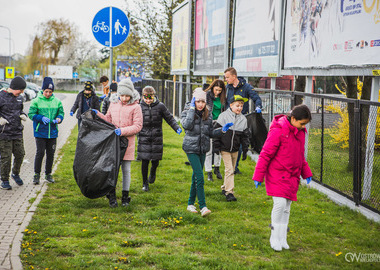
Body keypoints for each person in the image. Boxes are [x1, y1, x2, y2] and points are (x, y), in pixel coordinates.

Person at [252, 104, 313, 251]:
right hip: (277, 174)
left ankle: (282, 237)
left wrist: (307, 173)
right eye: (302, 123)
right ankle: (274, 237)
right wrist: (258, 175)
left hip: (292, 176)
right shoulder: (278, 131)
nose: (303, 126)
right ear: (293, 118)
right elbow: (266, 153)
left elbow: (300, 156)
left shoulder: (301, 132)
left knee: (286, 207)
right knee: (279, 205)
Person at [181, 88, 232, 217]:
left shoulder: (207, 113)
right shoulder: (187, 111)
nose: (200, 104)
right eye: (198, 101)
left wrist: (222, 131)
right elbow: (186, 126)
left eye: (202, 101)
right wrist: (191, 110)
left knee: (195, 177)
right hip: (191, 148)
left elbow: (210, 133)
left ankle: (190, 204)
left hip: (203, 148)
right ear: (194, 101)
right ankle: (203, 206)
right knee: (200, 177)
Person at [94, 78, 143, 207]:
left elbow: (138, 126)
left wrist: (122, 131)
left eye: (127, 95)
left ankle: (125, 196)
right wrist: (98, 114)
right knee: (112, 170)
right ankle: (112, 195)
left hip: (127, 143)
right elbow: (108, 119)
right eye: (122, 95)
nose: (124, 98)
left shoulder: (136, 107)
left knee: (126, 170)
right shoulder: (113, 103)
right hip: (113, 143)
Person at [137, 86, 182, 192]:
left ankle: (153, 171)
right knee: (145, 160)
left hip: (157, 136)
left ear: (154, 96)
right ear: (143, 97)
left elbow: (169, 118)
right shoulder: (139, 107)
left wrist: (176, 127)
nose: (148, 101)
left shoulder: (160, 106)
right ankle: (145, 183)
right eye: (146, 98)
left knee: (155, 160)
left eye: (150, 98)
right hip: (144, 136)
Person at [224, 67, 262, 174]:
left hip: (241, 120)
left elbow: (256, 98)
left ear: (234, 76)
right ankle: (227, 165)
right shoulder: (228, 88)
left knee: (239, 145)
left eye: (227, 77)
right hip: (229, 119)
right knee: (229, 143)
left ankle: (234, 167)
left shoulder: (246, 87)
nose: (226, 79)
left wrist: (258, 106)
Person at [213, 95, 250, 202]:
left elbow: (245, 136)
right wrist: (216, 146)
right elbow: (216, 133)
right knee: (229, 170)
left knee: (231, 170)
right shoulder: (223, 116)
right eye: (237, 105)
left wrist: (245, 150)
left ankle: (224, 188)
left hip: (235, 149)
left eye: (241, 106)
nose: (239, 108)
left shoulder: (243, 119)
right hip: (224, 148)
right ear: (231, 105)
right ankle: (229, 192)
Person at [28, 77, 64, 185]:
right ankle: (36, 174)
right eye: (46, 91)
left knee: (51, 154)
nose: (48, 93)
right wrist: (40, 118)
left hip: (52, 133)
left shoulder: (57, 102)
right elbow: (31, 114)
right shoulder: (36, 101)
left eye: (50, 91)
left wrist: (59, 119)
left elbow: (61, 113)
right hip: (40, 132)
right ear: (43, 90)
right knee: (40, 153)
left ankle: (48, 174)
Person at [0, 76, 27, 190]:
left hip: (17, 132)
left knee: (20, 154)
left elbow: (20, 110)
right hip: (4, 133)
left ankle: (15, 173)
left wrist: (23, 115)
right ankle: (4, 180)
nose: (21, 92)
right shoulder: (1, 97)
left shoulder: (20, 98)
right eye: (20, 90)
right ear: (13, 87)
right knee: (6, 158)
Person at [204, 79, 226, 182]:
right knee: (209, 148)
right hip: (209, 123)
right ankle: (208, 171)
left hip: (219, 123)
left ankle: (217, 168)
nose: (217, 92)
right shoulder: (207, 95)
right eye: (216, 89)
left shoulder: (223, 98)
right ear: (212, 87)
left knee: (218, 147)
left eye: (220, 90)